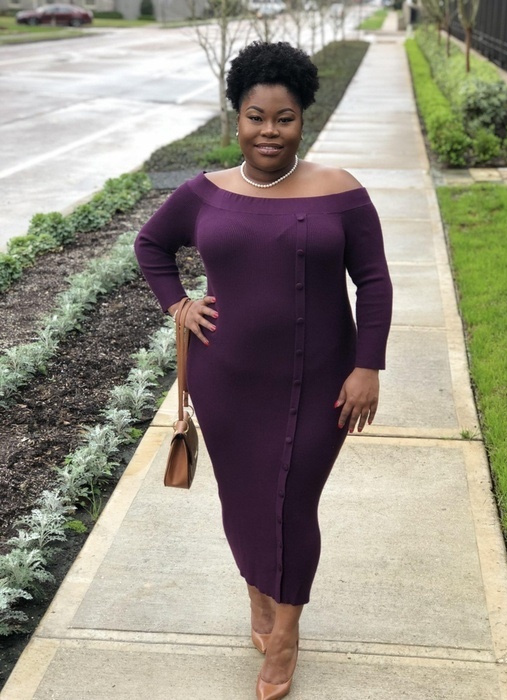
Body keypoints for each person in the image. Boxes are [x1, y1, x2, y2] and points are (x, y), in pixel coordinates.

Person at [135, 40, 392, 700]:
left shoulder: (341, 192)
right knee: (244, 498)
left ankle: (286, 633)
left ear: (303, 119)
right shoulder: (204, 193)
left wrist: (367, 366)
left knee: (292, 502)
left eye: (284, 118)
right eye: (256, 117)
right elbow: (151, 245)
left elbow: (374, 282)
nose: (268, 131)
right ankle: (258, 595)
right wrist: (179, 305)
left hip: (322, 381)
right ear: (237, 119)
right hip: (226, 380)